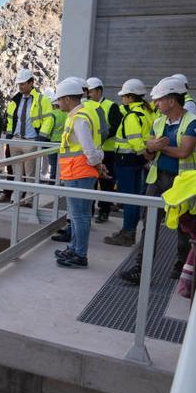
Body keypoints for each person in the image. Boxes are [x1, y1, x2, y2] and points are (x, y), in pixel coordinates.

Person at [120, 76, 196, 284]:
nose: (155, 103)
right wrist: (150, 148)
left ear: (172, 100)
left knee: (184, 225)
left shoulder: (193, 123)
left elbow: (184, 151)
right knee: (149, 223)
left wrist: (160, 147)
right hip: (157, 179)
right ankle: (141, 268)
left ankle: (182, 265)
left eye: (159, 99)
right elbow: (149, 154)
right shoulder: (158, 122)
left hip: (183, 181)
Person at [52, 79, 108, 268]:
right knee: (77, 215)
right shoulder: (81, 114)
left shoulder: (79, 118)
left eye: (59, 99)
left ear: (68, 99)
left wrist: (97, 166)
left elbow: (89, 149)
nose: (58, 103)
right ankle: (74, 248)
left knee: (80, 216)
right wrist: (98, 165)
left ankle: (80, 254)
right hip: (77, 171)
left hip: (79, 172)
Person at [104, 79, 153, 247]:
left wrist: (145, 154)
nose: (122, 99)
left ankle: (127, 233)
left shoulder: (132, 116)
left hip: (126, 160)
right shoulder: (147, 112)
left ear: (131, 97)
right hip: (137, 160)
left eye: (124, 96)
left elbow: (135, 141)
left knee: (128, 198)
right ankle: (129, 231)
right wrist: (146, 156)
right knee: (135, 196)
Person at [2, 68, 55, 203]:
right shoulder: (15, 100)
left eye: (23, 83)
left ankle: (30, 199)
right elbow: (10, 119)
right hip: (16, 140)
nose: (20, 86)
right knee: (17, 173)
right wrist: (10, 135)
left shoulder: (42, 100)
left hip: (31, 141)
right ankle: (18, 196)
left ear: (31, 83)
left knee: (31, 173)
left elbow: (49, 119)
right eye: (19, 84)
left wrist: (42, 136)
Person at [85, 77, 123, 223]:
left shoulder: (111, 106)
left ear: (99, 91)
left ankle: (104, 211)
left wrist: (100, 137)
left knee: (106, 183)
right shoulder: (86, 105)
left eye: (91, 92)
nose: (89, 95)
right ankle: (88, 212)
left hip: (107, 152)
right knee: (90, 182)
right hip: (91, 150)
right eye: (88, 92)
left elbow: (115, 126)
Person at [47, 88, 67, 181]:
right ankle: (61, 182)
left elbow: (47, 130)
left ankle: (52, 182)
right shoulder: (67, 113)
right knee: (62, 165)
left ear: (53, 105)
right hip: (64, 143)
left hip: (53, 143)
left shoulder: (52, 114)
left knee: (53, 165)